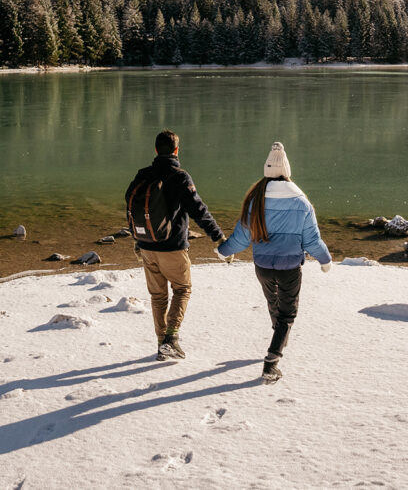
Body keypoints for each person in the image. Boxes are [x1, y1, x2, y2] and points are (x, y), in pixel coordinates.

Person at [215, 142, 332, 382]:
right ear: (287, 171)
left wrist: (223, 250)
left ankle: (278, 338)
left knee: (273, 303)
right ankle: (272, 360)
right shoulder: (301, 203)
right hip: (290, 267)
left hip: (263, 267)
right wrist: (325, 259)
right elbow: (312, 240)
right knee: (288, 313)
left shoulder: (255, 201)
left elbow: (241, 238)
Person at [126, 129, 225, 361]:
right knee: (182, 289)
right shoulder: (179, 176)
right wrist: (218, 237)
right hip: (173, 248)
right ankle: (171, 339)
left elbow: (131, 207)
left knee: (158, 296)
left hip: (147, 246)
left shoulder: (143, 174)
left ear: (155, 150)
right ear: (176, 150)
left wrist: (137, 239)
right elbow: (198, 210)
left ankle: (162, 343)